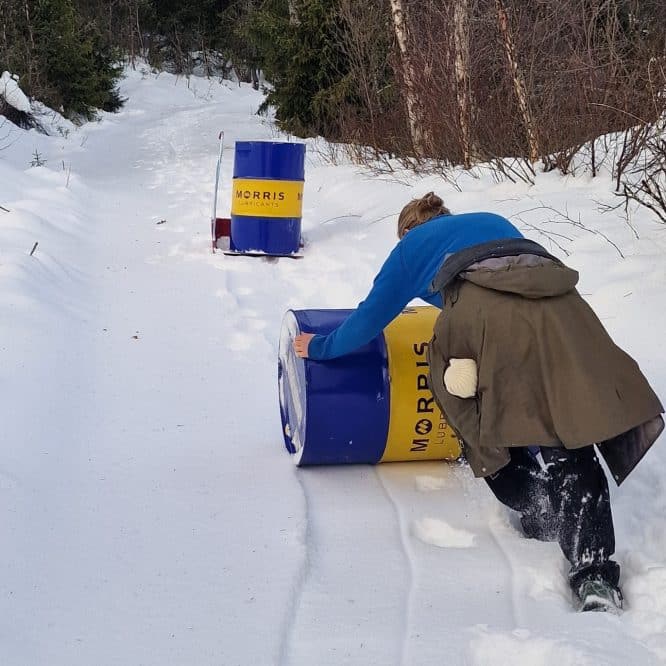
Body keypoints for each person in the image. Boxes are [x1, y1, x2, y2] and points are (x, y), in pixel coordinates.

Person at [293, 192, 664, 613]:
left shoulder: (408, 249)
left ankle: (536, 502)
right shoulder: (489, 219)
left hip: (488, 317)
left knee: (469, 405)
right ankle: (595, 574)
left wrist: (319, 347)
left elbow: (367, 321)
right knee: (564, 421)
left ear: (408, 230)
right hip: (563, 305)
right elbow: (517, 288)